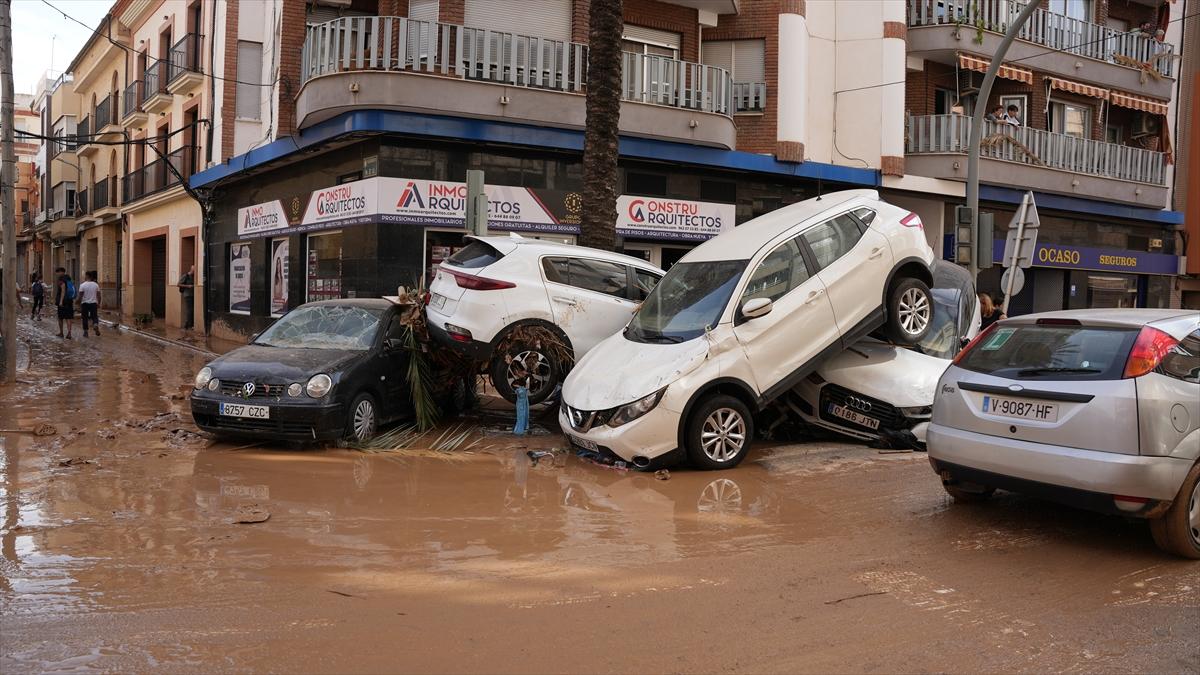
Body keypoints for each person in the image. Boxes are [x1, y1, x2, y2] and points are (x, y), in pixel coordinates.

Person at [78, 271, 101, 337]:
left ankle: (85, 332)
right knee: (94, 316)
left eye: (85, 275)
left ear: (87, 276)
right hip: (93, 303)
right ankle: (95, 324)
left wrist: (78, 303)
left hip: (84, 303)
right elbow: (99, 295)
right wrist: (99, 303)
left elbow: (80, 296)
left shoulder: (82, 285)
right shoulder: (96, 285)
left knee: (84, 318)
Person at [54, 267, 75, 339]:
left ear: (61, 272)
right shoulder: (69, 278)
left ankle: (61, 333)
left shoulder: (61, 280)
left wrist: (60, 301)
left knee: (60, 317)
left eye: (57, 272)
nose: (57, 274)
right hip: (69, 300)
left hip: (63, 301)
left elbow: (63, 290)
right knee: (68, 317)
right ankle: (69, 333)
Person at [179, 264, 195, 330]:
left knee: (191, 310)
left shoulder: (193, 277)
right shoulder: (186, 276)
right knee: (189, 310)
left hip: (192, 295)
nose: (195, 271)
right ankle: (187, 325)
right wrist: (188, 286)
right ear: (191, 269)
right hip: (187, 295)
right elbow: (178, 284)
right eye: (194, 270)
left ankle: (189, 324)